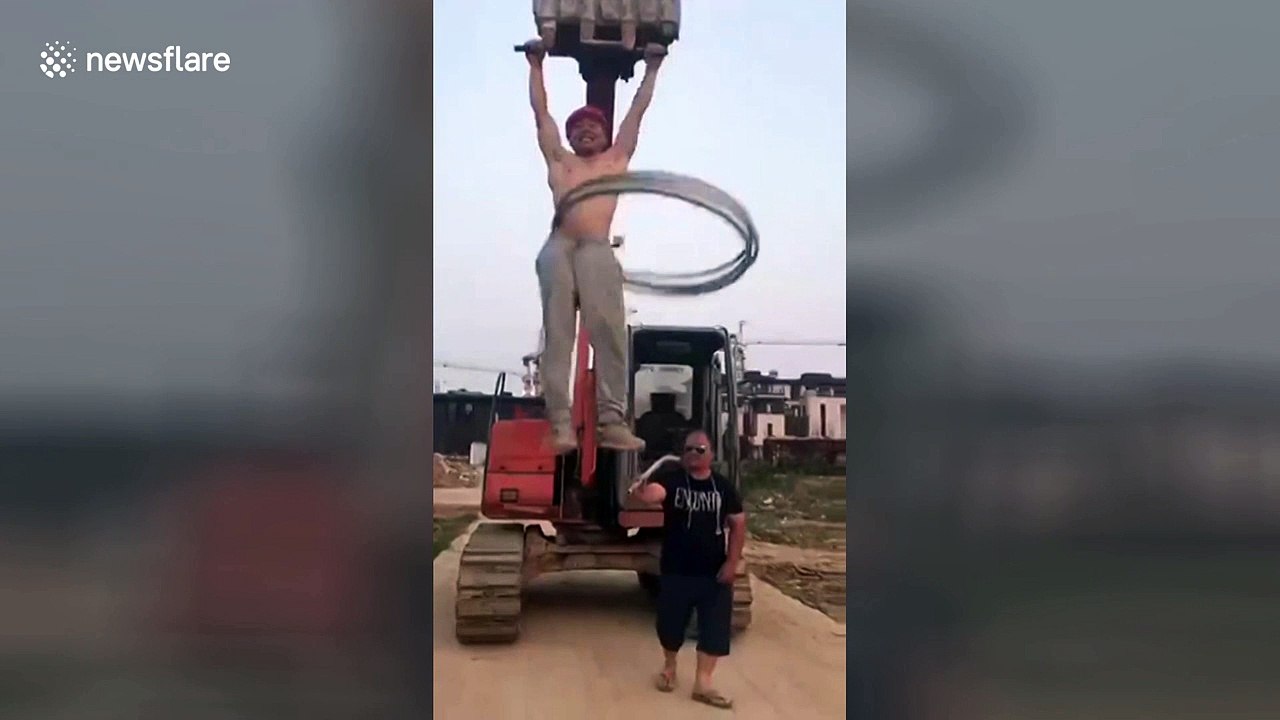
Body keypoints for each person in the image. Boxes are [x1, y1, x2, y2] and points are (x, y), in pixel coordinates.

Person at [523, 39, 666, 455]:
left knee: (609, 334)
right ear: (569, 138)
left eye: (594, 127)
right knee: (558, 337)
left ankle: (611, 420)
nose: (586, 131)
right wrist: (535, 66)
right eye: (578, 128)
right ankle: (561, 425)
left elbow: (637, 112)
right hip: (559, 246)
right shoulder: (560, 162)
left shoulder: (615, 160)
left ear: (605, 135)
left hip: (595, 248)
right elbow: (541, 115)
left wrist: (652, 70)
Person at [627, 428, 747, 710]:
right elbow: (652, 495)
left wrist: (732, 563)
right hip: (676, 569)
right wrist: (641, 490)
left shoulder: (723, 487)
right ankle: (669, 668)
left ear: (711, 455)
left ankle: (703, 683)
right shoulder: (672, 480)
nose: (693, 454)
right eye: (689, 449)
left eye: (700, 450)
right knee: (670, 625)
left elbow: (738, 524)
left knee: (714, 630)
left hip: (713, 573)